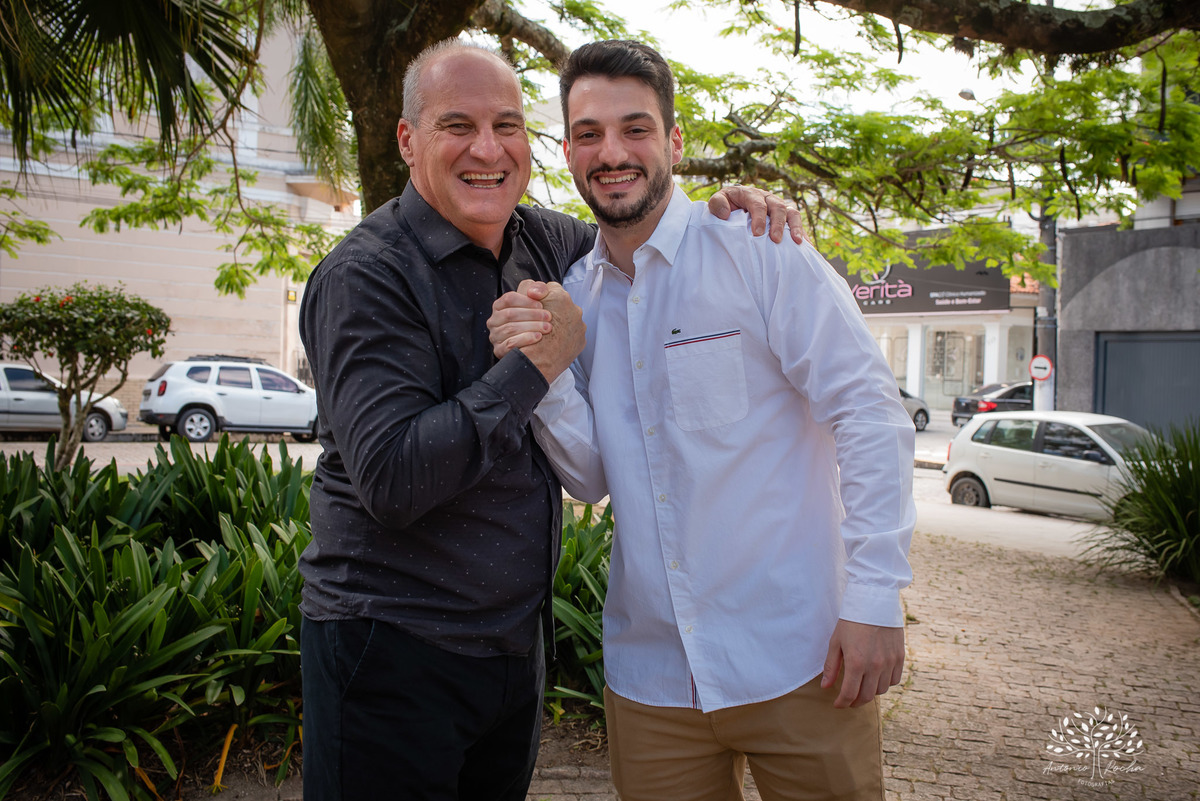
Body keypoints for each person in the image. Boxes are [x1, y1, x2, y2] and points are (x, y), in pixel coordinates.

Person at [297, 38, 805, 801]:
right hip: (391, 647)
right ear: (407, 140)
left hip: (508, 649)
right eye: (456, 125)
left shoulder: (546, 240)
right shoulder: (365, 276)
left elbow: (641, 222)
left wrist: (731, 215)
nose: (487, 150)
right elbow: (392, 479)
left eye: (507, 126)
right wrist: (534, 367)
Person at [488, 40, 916, 801]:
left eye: (635, 128)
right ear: (567, 150)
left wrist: (875, 599)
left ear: (675, 142)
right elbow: (589, 478)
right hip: (651, 679)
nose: (611, 152)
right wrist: (546, 371)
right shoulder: (576, 295)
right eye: (589, 133)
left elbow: (869, 413)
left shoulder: (760, 251)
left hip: (802, 657)